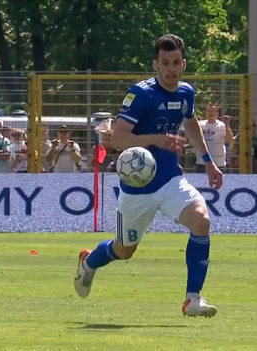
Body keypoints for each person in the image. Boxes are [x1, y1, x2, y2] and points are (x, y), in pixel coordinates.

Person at [74, 34, 222, 318]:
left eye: (176, 63)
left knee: (202, 222)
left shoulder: (186, 93)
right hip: (136, 189)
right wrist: (157, 139)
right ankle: (89, 262)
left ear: (183, 64)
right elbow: (118, 138)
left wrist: (208, 162)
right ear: (155, 65)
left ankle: (193, 300)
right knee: (124, 250)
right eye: (165, 63)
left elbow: (190, 122)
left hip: (170, 180)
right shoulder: (141, 94)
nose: (170, 69)